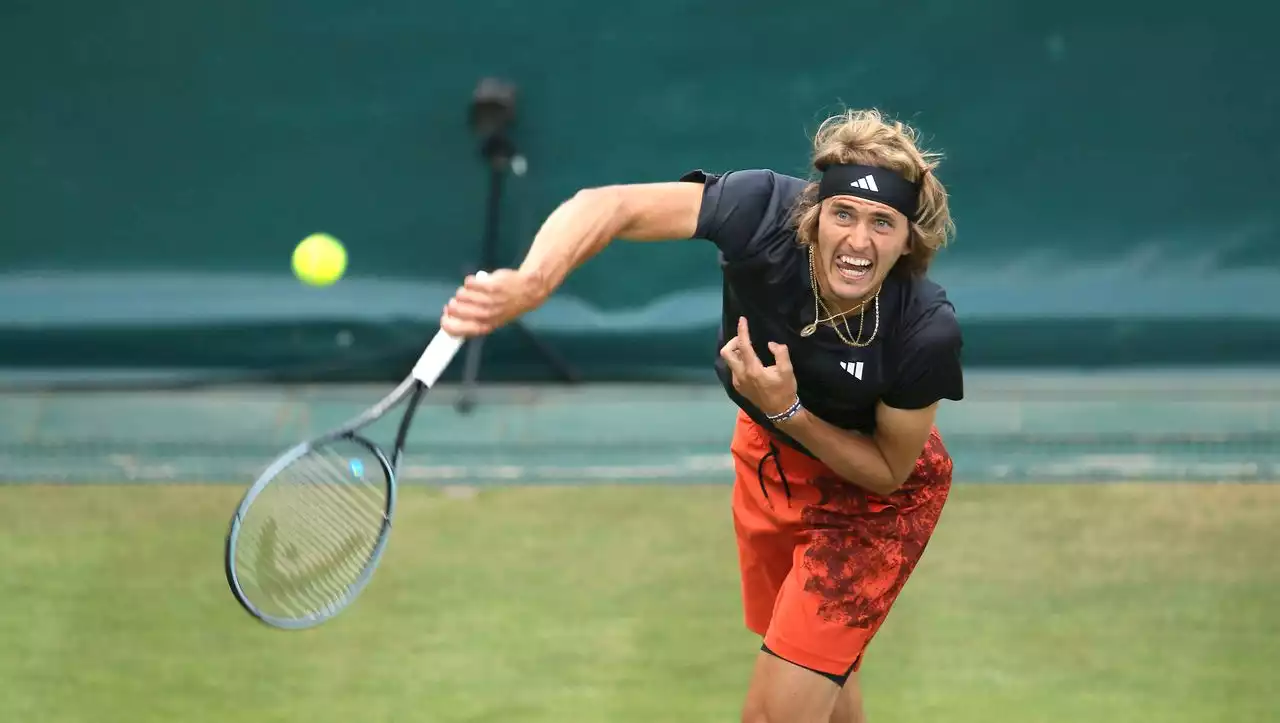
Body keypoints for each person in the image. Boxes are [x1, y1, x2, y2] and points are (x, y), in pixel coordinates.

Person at [440, 108, 963, 723]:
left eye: (883, 223)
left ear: (908, 242)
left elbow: (887, 472)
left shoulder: (925, 330)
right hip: (770, 461)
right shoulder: (761, 210)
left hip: (875, 508)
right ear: (814, 212)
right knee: (820, 673)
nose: (857, 240)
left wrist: (789, 412)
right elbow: (607, 206)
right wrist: (531, 284)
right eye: (843, 213)